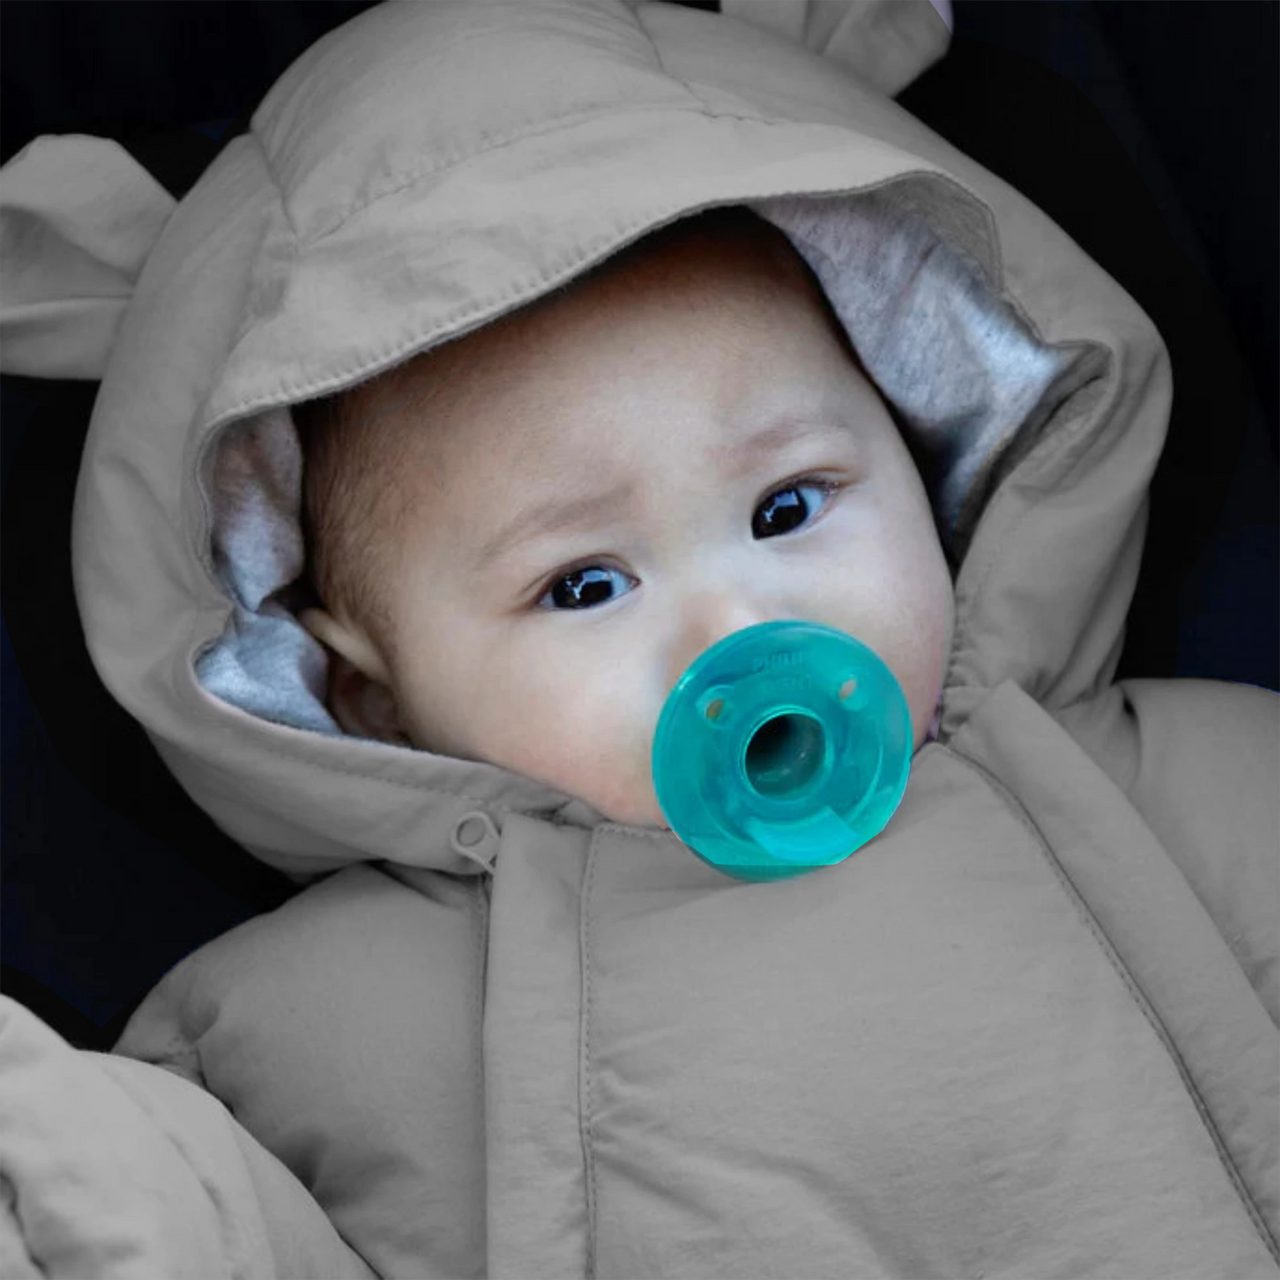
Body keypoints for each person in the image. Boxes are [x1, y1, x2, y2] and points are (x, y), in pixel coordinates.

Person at [0, 1, 1276, 1276]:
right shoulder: (321, 1018)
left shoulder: (1204, 789)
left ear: (925, 452)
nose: (742, 621)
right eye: (582, 585)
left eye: (787, 507)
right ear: (364, 693)